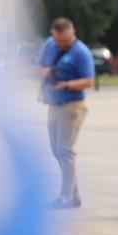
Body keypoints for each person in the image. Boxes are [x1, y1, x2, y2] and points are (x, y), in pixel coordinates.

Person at [38, 18, 94, 210]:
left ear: (73, 33)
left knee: (65, 150)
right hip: (53, 103)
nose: (60, 44)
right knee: (56, 150)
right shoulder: (49, 45)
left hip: (73, 104)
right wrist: (46, 72)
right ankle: (74, 193)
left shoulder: (81, 52)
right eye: (58, 41)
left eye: (65, 41)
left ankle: (65, 197)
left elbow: (89, 81)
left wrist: (67, 84)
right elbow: (39, 67)